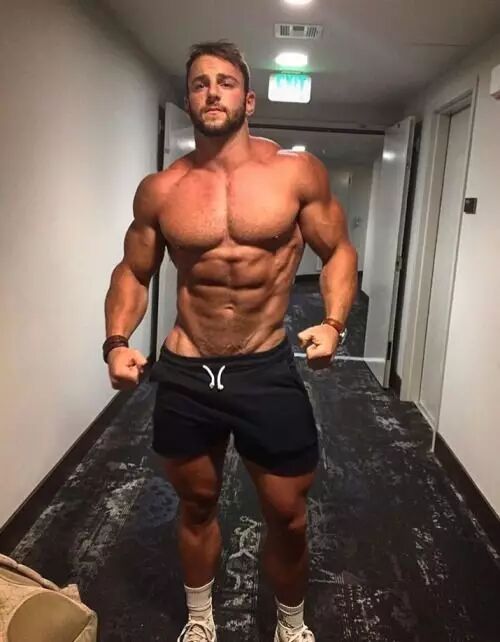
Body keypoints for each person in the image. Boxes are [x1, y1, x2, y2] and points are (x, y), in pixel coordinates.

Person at [103, 41, 357, 642]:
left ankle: (290, 624)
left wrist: (334, 323)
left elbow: (338, 252)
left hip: (264, 369)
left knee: (288, 515)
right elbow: (133, 271)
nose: (211, 91)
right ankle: (199, 619)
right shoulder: (161, 189)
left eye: (224, 82)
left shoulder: (296, 173)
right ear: (188, 99)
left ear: (248, 100)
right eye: (199, 83)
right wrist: (115, 341)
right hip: (186, 372)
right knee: (195, 505)